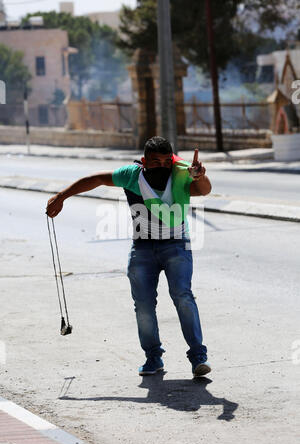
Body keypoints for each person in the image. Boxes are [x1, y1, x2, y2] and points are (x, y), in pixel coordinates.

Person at [46, 136, 212, 378]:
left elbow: (203, 189)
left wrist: (199, 176)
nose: (163, 166)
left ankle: (198, 357)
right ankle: (153, 358)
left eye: (167, 161)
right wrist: (61, 196)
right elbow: (96, 179)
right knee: (143, 306)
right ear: (144, 161)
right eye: (156, 162)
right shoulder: (133, 176)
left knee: (183, 296)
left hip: (176, 245)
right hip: (142, 248)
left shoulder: (179, 174)